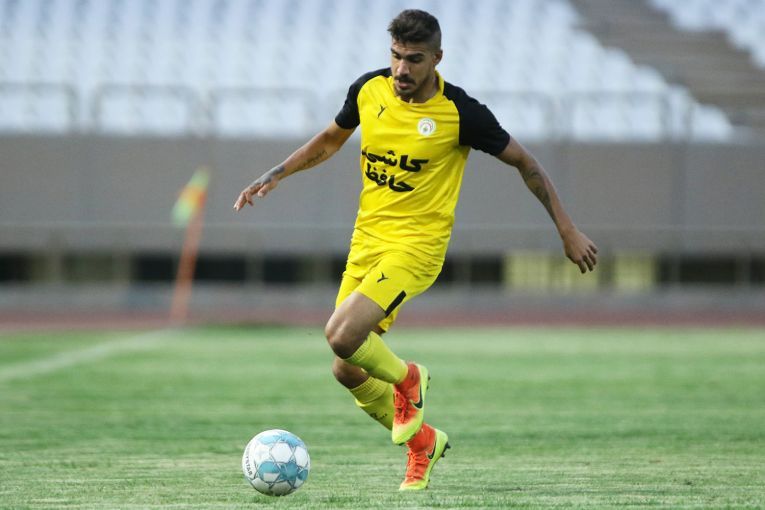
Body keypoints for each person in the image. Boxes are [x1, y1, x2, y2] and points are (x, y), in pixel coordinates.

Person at [234, 9, 598, 491]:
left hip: (416, 248)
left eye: (414, 59)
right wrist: (277, 173)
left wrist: (567, 230)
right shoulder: (370, 89)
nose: (401, 69)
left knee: (341, 335)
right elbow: (331, 139)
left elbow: (526, 163)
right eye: (396, 56)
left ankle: (409, 378)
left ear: (437, 58)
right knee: (346, 367)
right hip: (366, 242)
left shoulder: (461, 113)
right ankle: (423, 444)